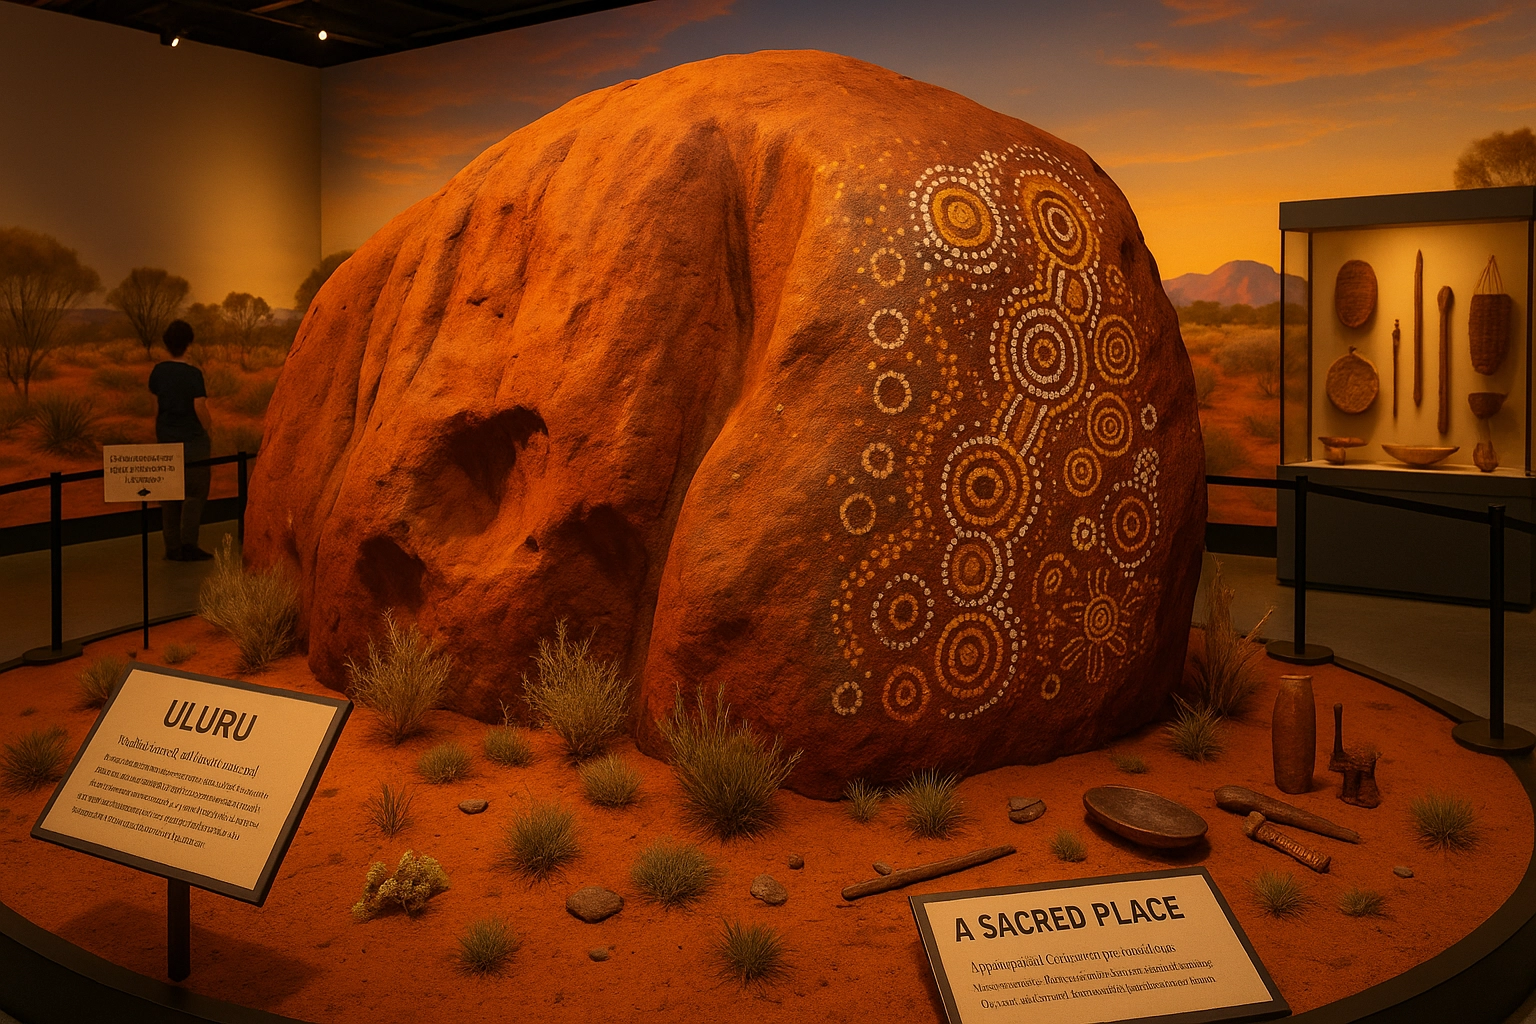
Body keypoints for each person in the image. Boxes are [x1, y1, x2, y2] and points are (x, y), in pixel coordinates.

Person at [148, 319, 213, 560]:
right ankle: (189, 545)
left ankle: (172, 547)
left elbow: (154, 409)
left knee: (169, 497)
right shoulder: (193, 374)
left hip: (166, 438)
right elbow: (199, 407)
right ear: (189, 343)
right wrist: (208, 428)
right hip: (193, 442)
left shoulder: (158, 372)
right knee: (194, 496)